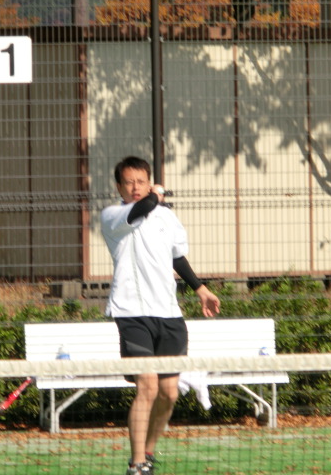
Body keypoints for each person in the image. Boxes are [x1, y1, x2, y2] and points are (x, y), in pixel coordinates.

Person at [100, 156, 220, 475]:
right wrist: (156, 195)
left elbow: (176, 256)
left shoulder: (166, 216)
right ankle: (136, 463)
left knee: (168, 392)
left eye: (141, 181)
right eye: (129, 182)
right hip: (131, 314)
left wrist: (201, 289)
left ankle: (149, 451)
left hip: (168, 315)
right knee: (148, 387)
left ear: (148, 182)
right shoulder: (113, 215)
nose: (135, 187)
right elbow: (141, 209)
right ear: (119, 187)